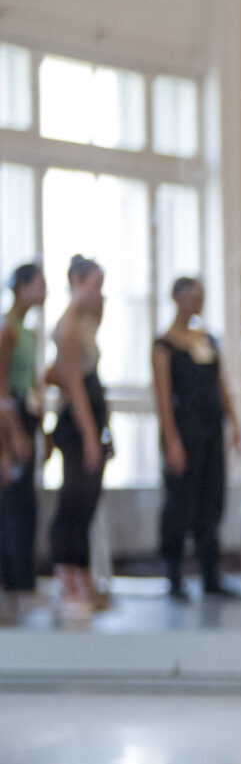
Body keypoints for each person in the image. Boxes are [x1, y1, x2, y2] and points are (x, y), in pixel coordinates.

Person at [150, 277, 240, 599]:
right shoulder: (164, 345)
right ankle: (173, 574)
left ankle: (210, 575)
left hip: (211, 429)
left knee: (211, 500)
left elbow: (221, 384)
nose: (198, 302)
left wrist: (234, 425)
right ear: (177, 297)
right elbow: (162, 396)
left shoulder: (208, 340)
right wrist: (171, 439)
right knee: (180, 502)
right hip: (184, 431)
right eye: (193, 295)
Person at [48, 257, 110, 617]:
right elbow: (74, 384)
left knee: (88, 501)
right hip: (76, 422)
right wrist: (89, 435)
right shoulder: (68, 326)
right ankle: (66, 576)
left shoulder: (88, 323)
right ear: (76, 281)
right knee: (73, 498)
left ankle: (84, 576)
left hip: (93, 417)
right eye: (94, 286)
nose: (99, 294)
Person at [0, 263, 44, 609]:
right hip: (10, 416)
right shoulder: (7, 328)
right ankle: (14, 577)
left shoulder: (29, 331)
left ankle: (24, 577)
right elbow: (3, 387)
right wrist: (12, 434)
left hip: (26, 414)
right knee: (14, 501)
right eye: (39, 283)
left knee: (26, 501)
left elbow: (33, 383)